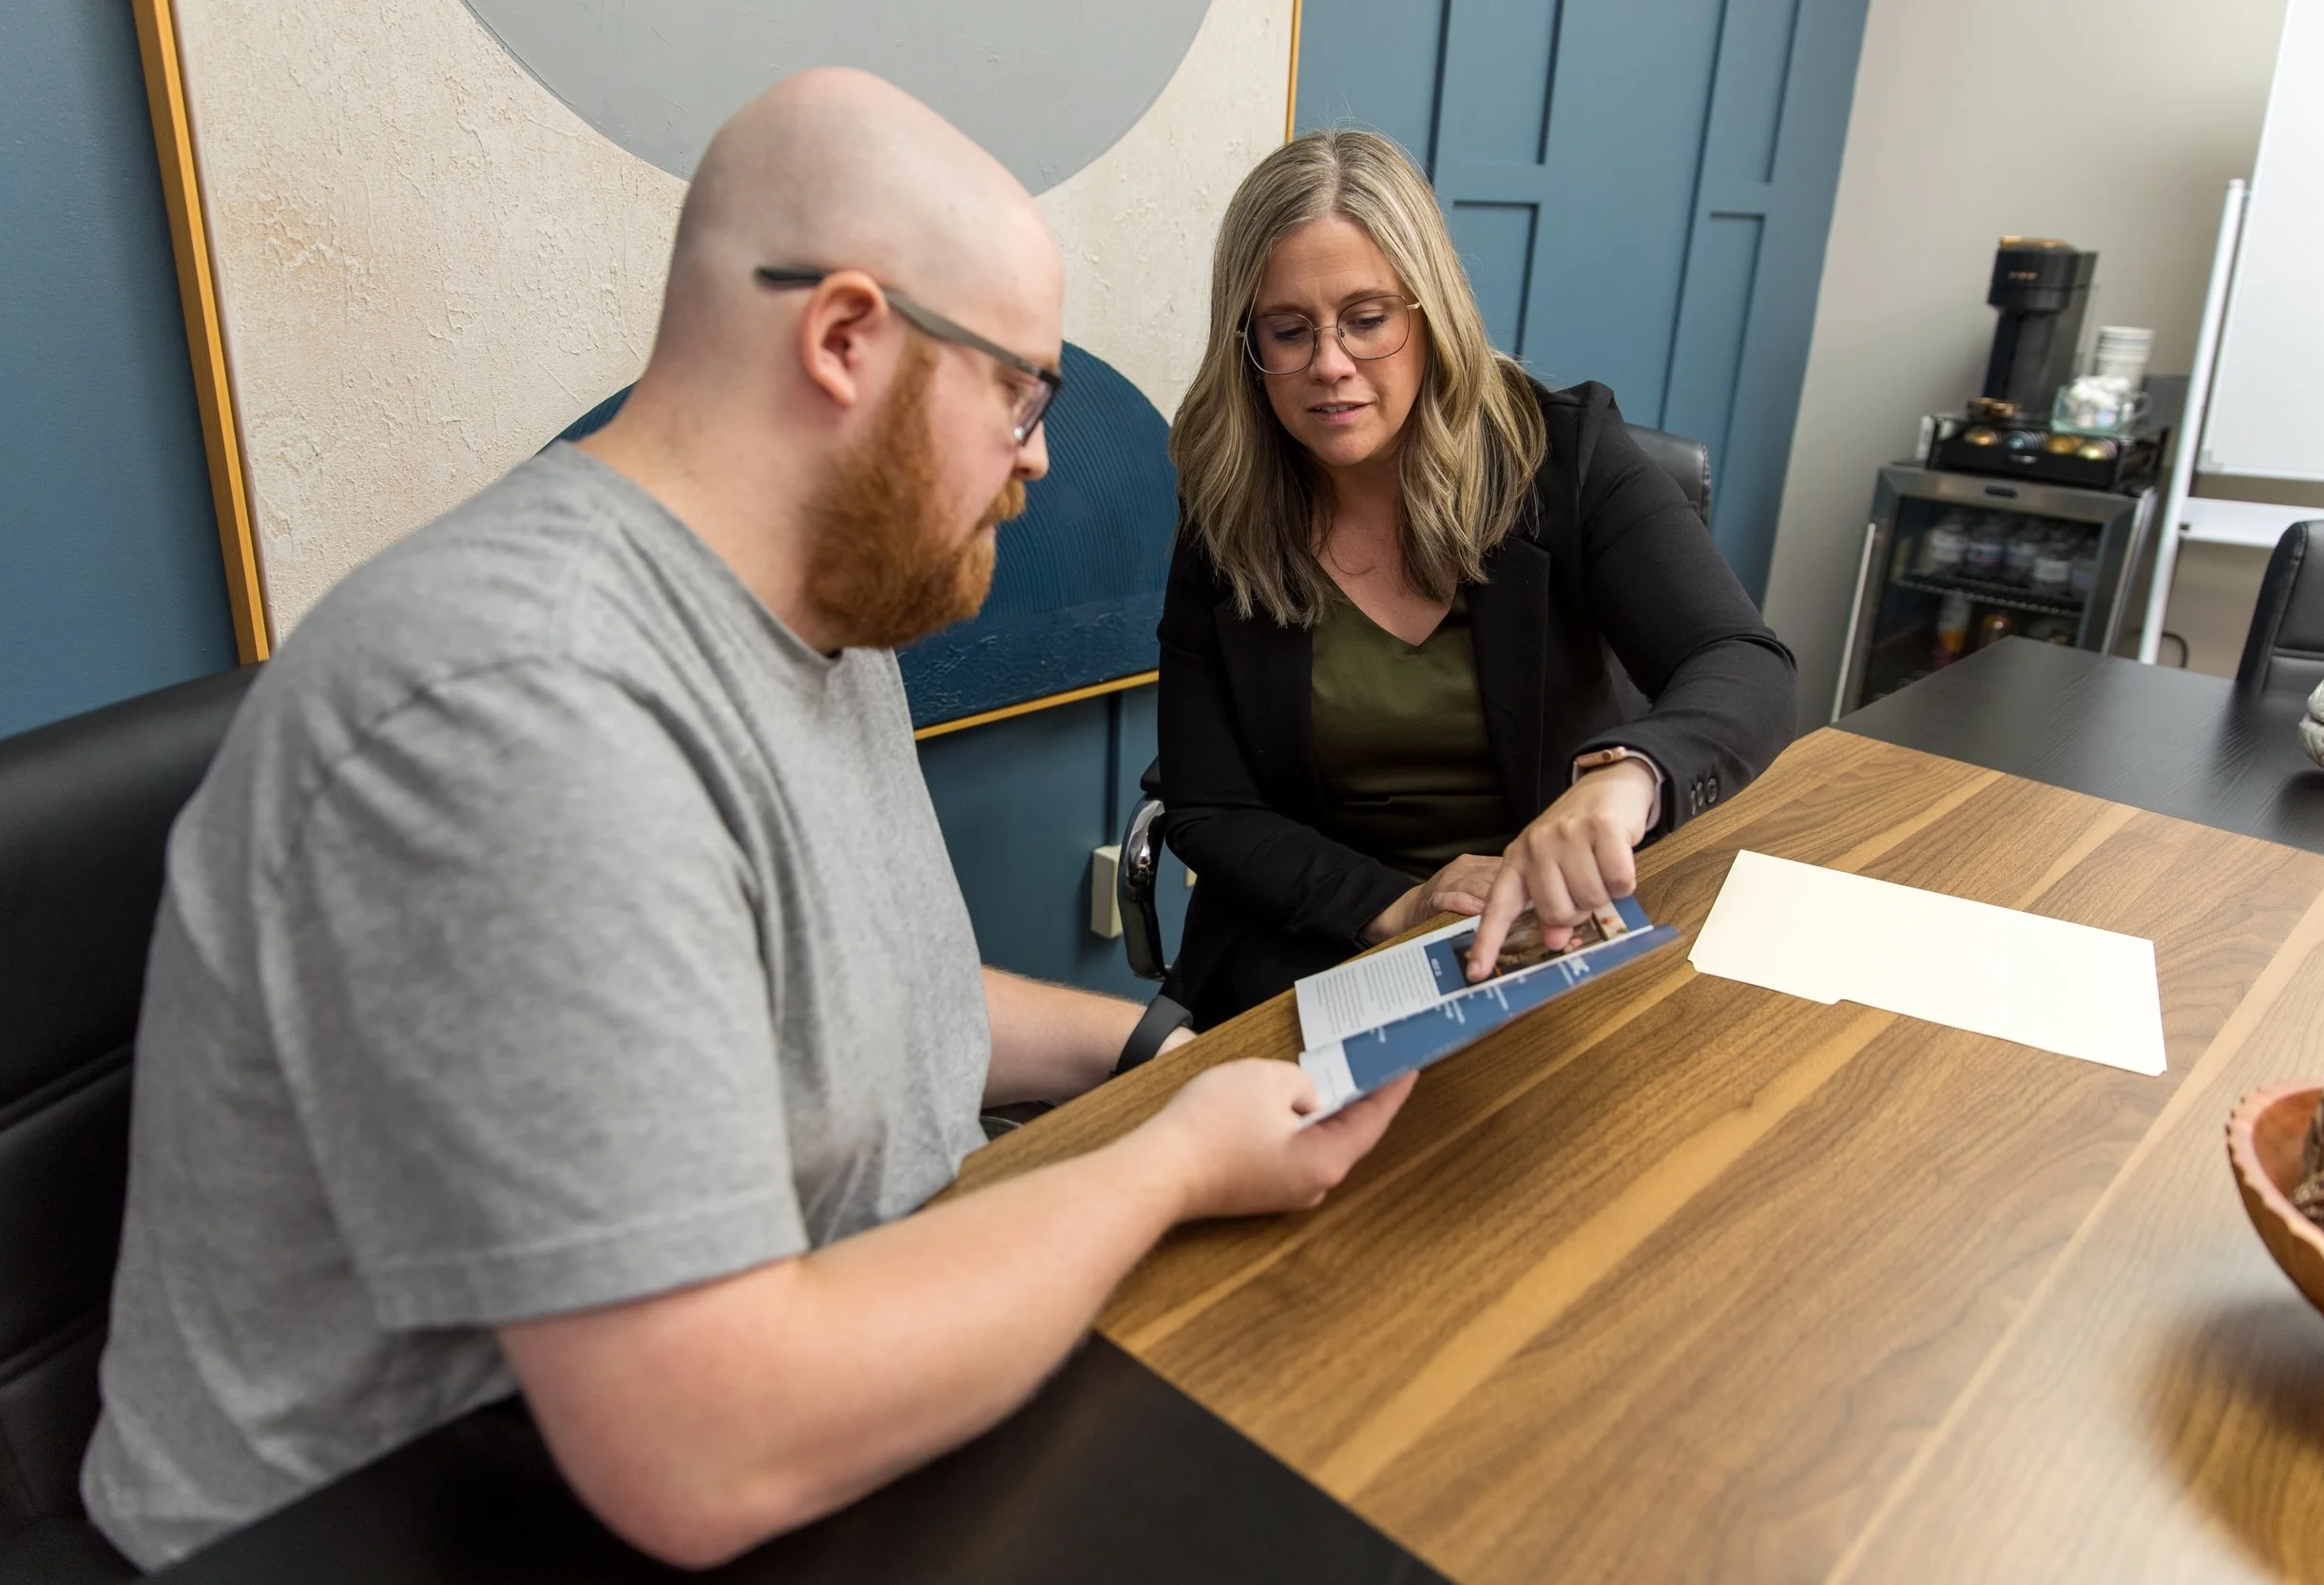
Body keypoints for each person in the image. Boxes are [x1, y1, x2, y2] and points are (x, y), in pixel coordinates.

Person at [82, 71, 1413, 1572]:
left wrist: (1159, 1050)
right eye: (1020, 393)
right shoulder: (525, 706)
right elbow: (706, 1450)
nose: (1040, 455)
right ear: (847, 338)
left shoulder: (822, 608)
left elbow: (870, 995)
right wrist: (1170, 1163)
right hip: (418, 1516)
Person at [1157, 130, 1797, 1030]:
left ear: (1431, 314)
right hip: (1326, 937)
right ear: (1247, 344)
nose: (1330, 363)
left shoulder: (1565, 456)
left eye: (1368, 318)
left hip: (1554, 928)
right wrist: (1401, 904)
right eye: (1289, 332)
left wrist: (1628, 778)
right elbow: (1210, 805)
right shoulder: (1226, 508)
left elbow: (1744, 659)